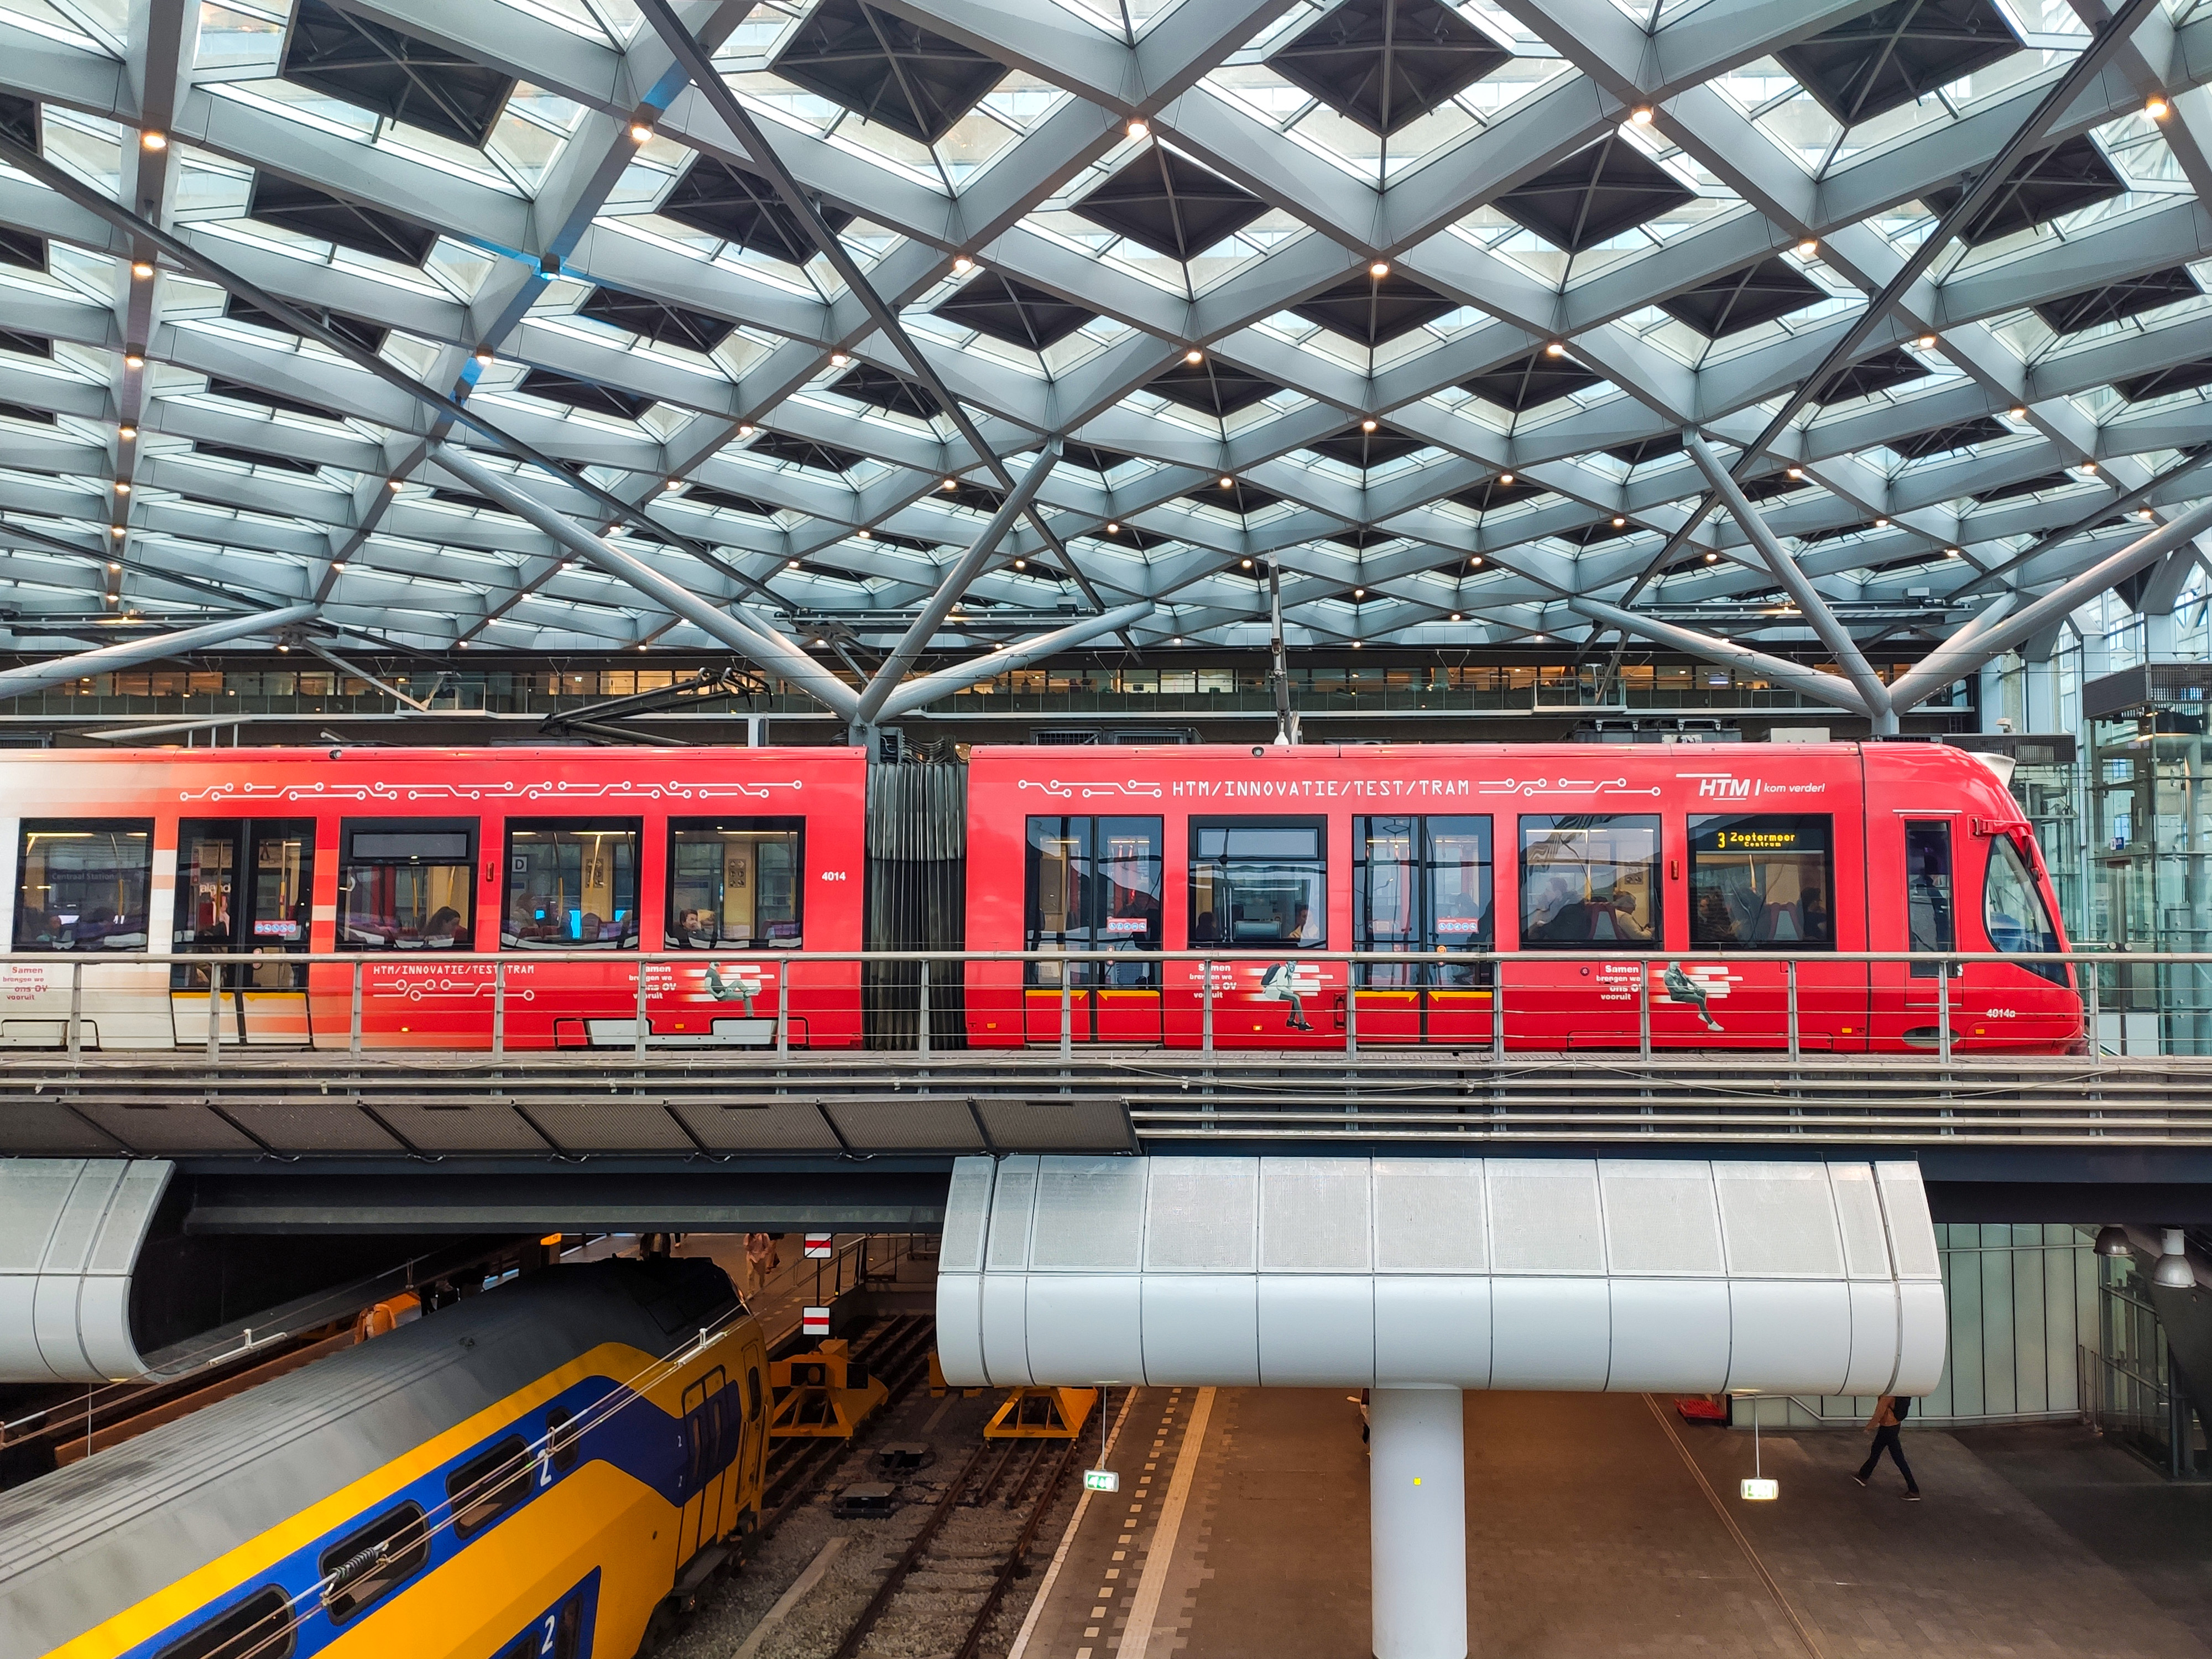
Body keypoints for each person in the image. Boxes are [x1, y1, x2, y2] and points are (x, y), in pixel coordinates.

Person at [1855, 1393, 1919, 1500]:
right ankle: (1863, 1475)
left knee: (1898, 1458)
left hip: (1887, 1428)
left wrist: (1868, 1428)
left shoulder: (1887, 1397)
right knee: (1876, 1451)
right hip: (1894, 1426)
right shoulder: (1899, 1393)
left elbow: (1879, 1414)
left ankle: (1914, 1490)